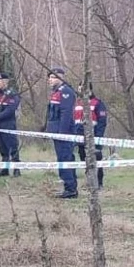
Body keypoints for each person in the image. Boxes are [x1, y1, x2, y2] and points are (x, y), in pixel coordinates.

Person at [46, 67, 78, 199]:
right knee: (62, 159)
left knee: (66, 158)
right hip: (55, 131)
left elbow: (66, 114)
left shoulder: (66, 92)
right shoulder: (55, 92)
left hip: (63, 132)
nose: (50, 80)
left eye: (53, 77)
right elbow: (51, 113)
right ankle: (67, 186)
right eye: (49, 78)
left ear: (61, 77)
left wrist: (62, 133)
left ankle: (71, 189)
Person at [0, 72, 21, 176]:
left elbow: (10, 110)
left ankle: (16, 169)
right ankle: (5, 169)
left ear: (5, 82)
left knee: (12, 147)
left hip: (8, 124)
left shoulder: (12, 94)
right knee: (2, 148)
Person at [74, 86, 109, 188]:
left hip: (94, 137)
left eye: (84, 88)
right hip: (79, 138)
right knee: (84, 160)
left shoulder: (98, 103)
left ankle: (99, 183)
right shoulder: (77, 103)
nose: (81, 90)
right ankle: (90, 181)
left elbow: (102, 123)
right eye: (80, 88)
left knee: (96, 159)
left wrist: (98, 139)